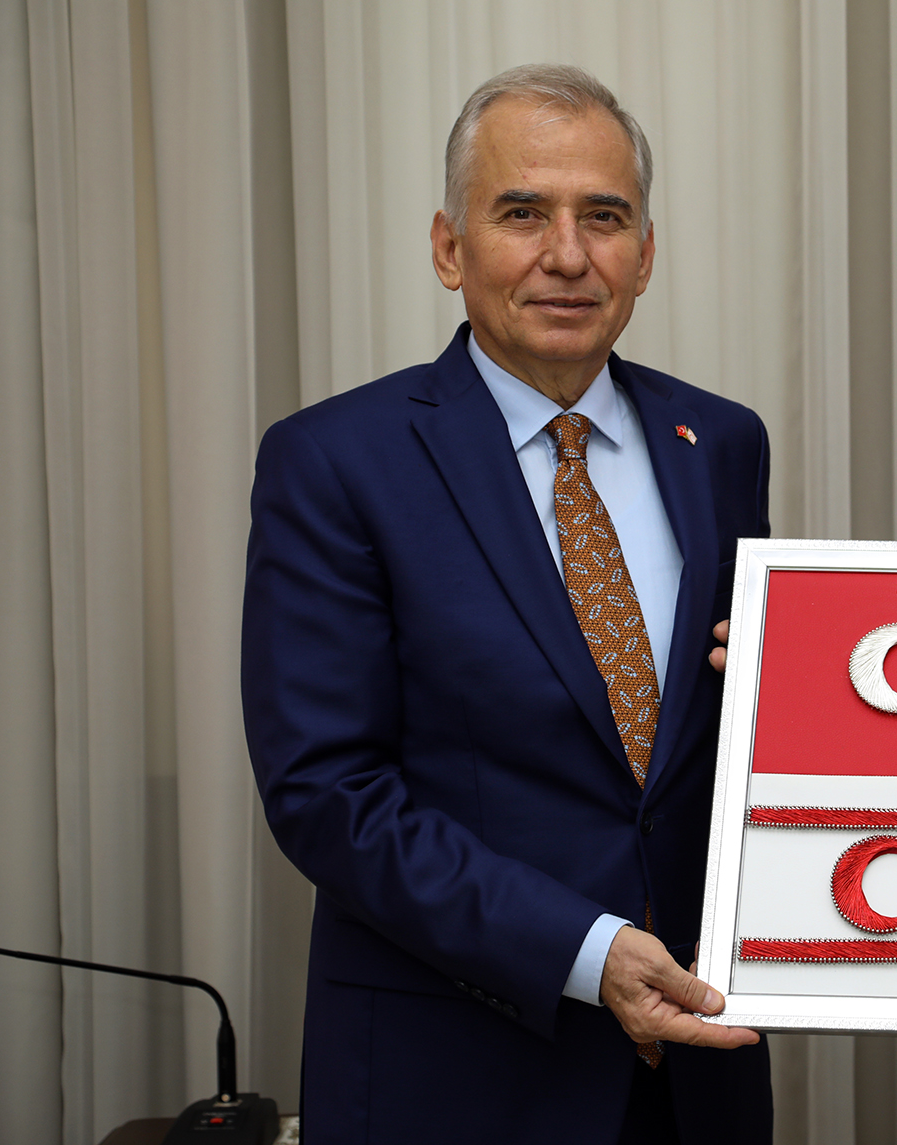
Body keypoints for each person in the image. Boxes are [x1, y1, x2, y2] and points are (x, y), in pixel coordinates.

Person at [242, 65, 770, 1142]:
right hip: (457, 1072)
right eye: (523, 213)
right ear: (450, 249)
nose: (568, 255)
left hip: (696, 1065)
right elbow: (327, 793)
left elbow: (729, 735)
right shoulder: (336, 462)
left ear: (646, 254)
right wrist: (586, 950)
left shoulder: (719, 442)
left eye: (604, 217)